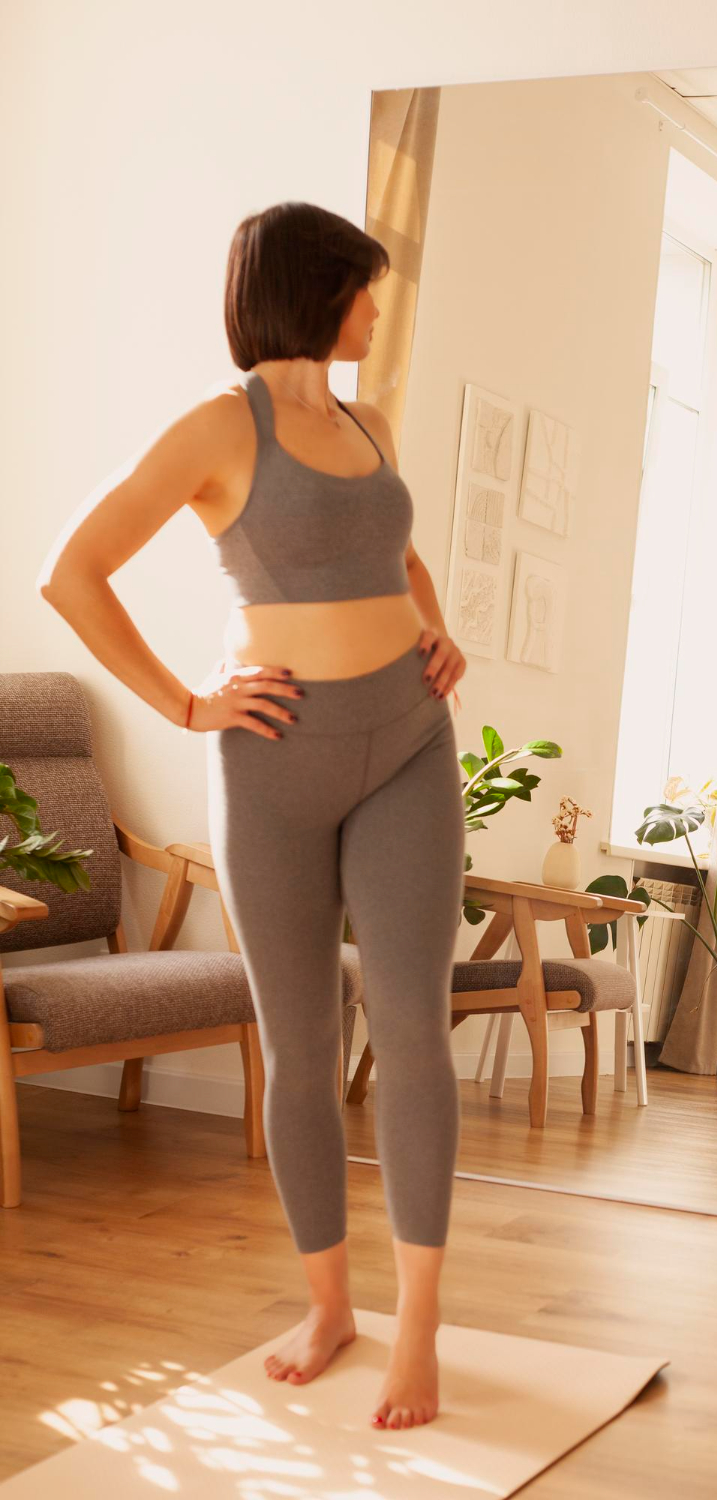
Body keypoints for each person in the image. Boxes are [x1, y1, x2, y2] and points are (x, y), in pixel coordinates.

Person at [36, 201, 468, 1430]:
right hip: (273, 763)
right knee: (299, 1042)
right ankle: (330, 1304)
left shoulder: (368, 423)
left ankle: (418, 1329)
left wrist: (436, 631)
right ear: (312, 290)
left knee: (412, 1026)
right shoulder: (219, 429)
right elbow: (73, 570)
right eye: (364, 290)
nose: (377, 311)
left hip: (406, 745)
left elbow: (398, 554)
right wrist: (184, 704)